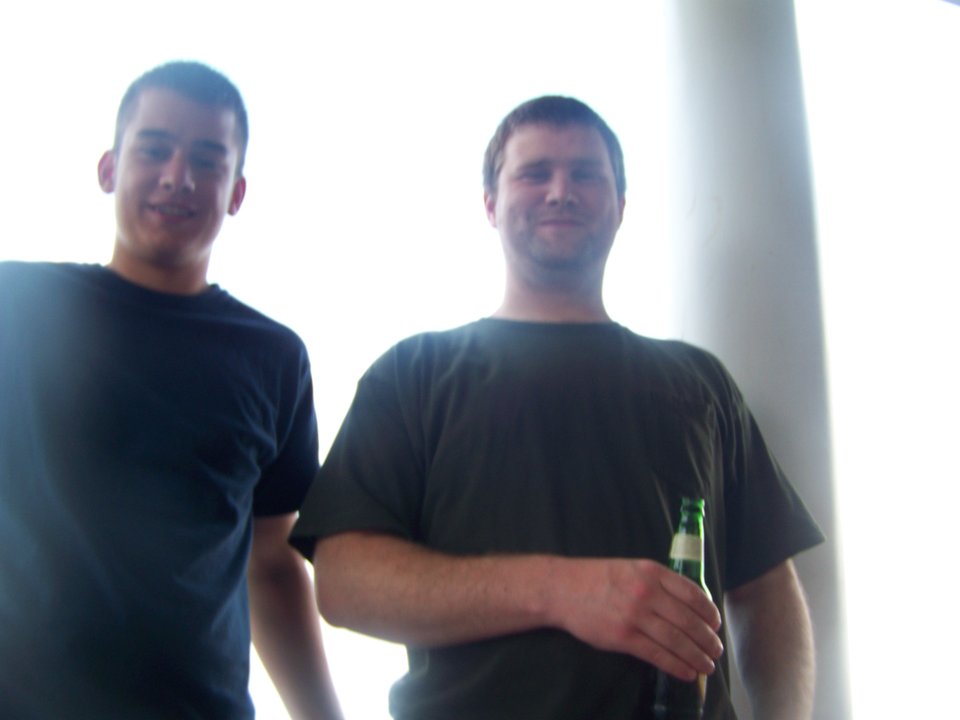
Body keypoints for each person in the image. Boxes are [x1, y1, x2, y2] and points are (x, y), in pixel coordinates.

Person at [290, 95, 825, 720]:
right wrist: (561, 590)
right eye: (534, 173)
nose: (561, 191)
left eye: (587, 175)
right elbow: (344, 582)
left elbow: (767, 590)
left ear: (620, 206)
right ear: (490, 204)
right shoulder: (413, 373)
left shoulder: (702, 384)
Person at [0, 61, 343, 719]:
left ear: (236, 192)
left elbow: (271, 563)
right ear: (108, 168)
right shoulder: (15, 304)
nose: (178, 177)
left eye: (207, 161)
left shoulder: (273, 357)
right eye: (154, 149)